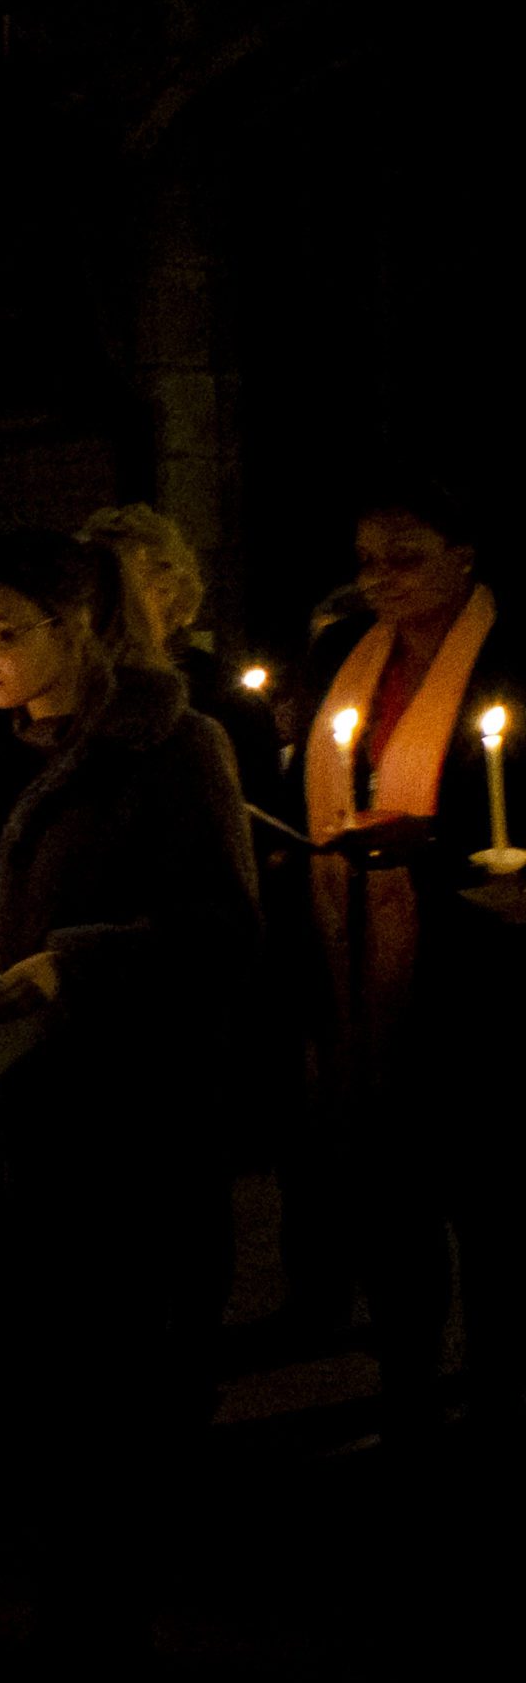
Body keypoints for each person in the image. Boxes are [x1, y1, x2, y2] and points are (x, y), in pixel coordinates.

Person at [0, 529, 257, 1675]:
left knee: (107, 1386)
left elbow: (222, 931)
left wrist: (78, 963)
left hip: (107, 1122)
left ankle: (101, 1629)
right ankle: (50, 1597)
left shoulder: (171, 748)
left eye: (4, 632)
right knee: (19, 1381)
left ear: (76, 625)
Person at [289, 481, 524, 1441]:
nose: (377, 580)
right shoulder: (343, 653)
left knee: (494, 1206)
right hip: (359, 965)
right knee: (392, 1204)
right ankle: (408, 1395)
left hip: (480, 970)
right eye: (366, 559)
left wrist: (445, 843)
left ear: (464, 557)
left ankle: (504, 1395)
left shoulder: (510, 658)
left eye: (404, 557)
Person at [83, 503, 284, 815]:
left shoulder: (223, 696)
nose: (112, 607)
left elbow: (262, 811)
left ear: (170, 592)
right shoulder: (77, 686)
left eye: (126, 589)